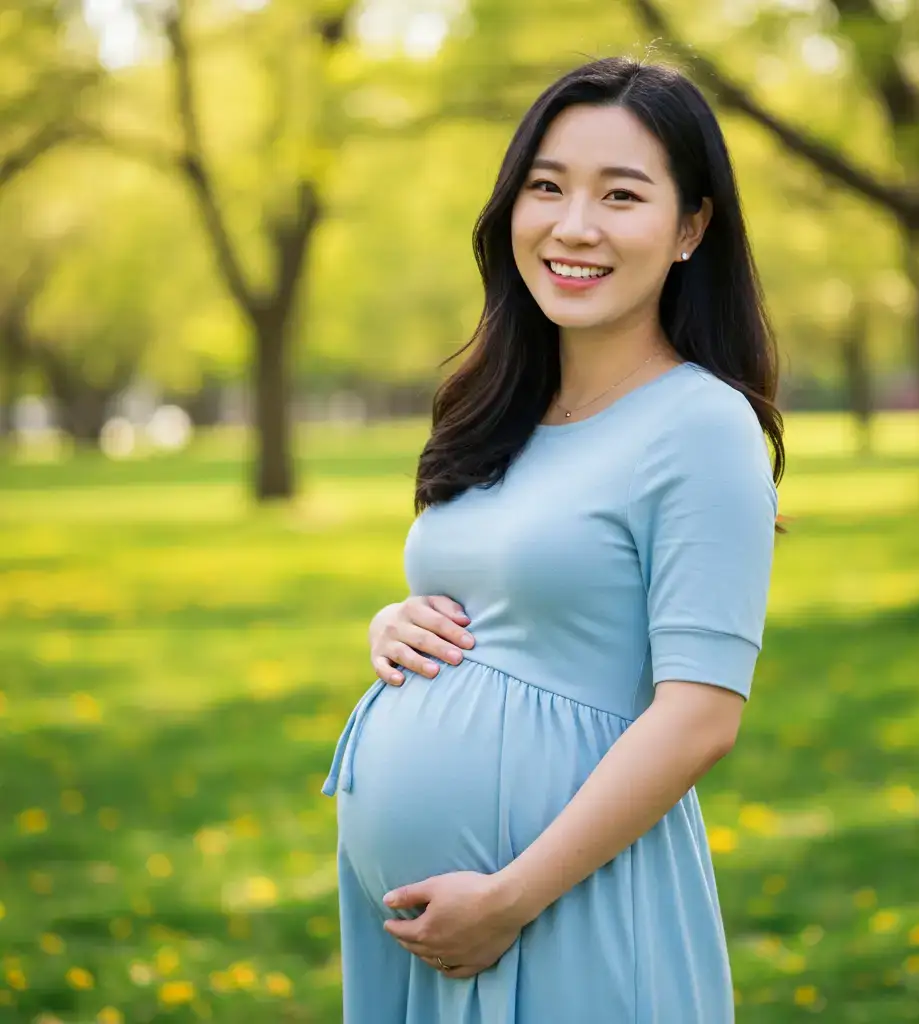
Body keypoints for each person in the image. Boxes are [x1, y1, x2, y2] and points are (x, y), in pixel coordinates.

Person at [322, 56, 784, 1024]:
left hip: (564, 905)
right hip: (436, 926)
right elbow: (516, 604)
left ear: (690, 227)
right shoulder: (499, 409)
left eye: (621, 195)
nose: (574, 226)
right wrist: (394, 625)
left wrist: (508, 898)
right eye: (546, 186)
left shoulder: (700, 424)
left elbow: (702, 715)